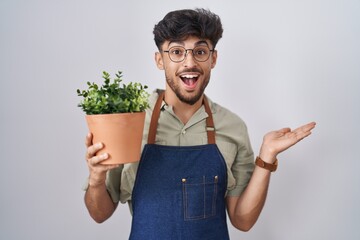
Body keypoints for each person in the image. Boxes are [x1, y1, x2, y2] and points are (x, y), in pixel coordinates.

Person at [83, 8, 316, 239]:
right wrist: (96, 178)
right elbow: (100, 213)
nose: (189, 62)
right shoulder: (129, 122)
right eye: (176, 51)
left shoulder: (233, 127)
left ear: (213, 59)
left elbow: (242, 220)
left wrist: (267, 158)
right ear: (159, 60)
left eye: (200, 51)